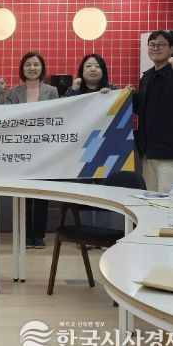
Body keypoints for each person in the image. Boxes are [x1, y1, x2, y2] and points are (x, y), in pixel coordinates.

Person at [1, 51, 59, 249]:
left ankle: (39, 235)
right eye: (28, 64)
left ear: (42, 68)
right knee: (23, 195)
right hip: (21, 150)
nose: (32, 68)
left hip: (44, 151)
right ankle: (25, 235)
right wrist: (0, 93)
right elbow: (2, 116)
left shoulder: (52, 91)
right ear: (22, 68)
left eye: (36, 64)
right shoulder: (13, 93)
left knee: (41, 193)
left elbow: (58, 117)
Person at [133, 30, 173, 194]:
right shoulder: (146, 78)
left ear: (171, 49)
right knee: (151, 201)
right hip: (149, 152)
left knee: (171, 202)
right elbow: (142, 110)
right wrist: (129, 96)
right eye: (152, 44)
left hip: (171, 154)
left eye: (161, 45)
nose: (156, 48)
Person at [66, 53, 118, 230]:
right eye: (88, 66)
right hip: (80, 150)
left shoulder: (113, 89)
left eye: (97, 66)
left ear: (103, 71)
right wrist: (74, 90)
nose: (93, 69)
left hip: (106, 151)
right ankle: (86, 232)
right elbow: (65, 115)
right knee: (84, 194)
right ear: (82, 71)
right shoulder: (73, 91)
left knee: (105, 193)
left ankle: (103, 233)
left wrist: (111, 98)